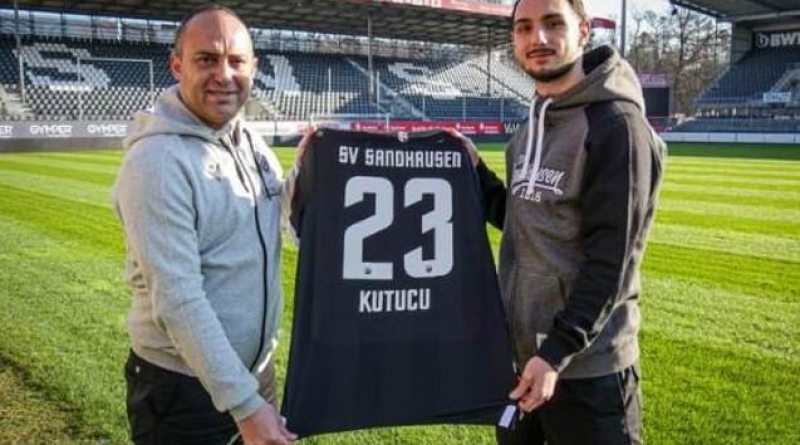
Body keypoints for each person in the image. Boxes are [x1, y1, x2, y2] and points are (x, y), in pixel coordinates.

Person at [454, 0, 666, 443]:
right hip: (520, 363)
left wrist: (555, 353)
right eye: (524, 28)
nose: (538, 39)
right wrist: (475, 173)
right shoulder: (529, 127)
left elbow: (611, 263)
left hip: (587, 373)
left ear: (583, 30)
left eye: (553, 24)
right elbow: (524, 220)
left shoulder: (616, 126)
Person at [112, 4, 309, 445]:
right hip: (184, 385)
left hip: (254, 371)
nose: (224, 74)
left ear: (254, 67)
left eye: (236, 61)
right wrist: (245, 405)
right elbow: (178, 299)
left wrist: (305, 169)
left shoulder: (249, 141)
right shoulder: (156, 162)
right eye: (207, 59)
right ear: (177, 65)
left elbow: (274, 215)